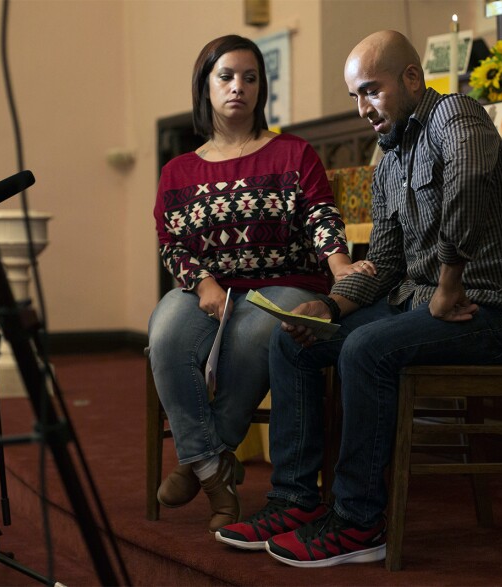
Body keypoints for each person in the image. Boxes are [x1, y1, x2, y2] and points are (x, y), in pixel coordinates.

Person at [216, 30, 502, 567]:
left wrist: (450, 279)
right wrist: (330, 306)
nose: (363, 108)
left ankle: (360, 523)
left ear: (412, 78)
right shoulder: (388, 158)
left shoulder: (457, 115)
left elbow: (471, 179)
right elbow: (386, 264)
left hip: (489, 311)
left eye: (372, 90)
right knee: (294, 341)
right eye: (355, 98)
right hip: (423, 305)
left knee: (364, 348)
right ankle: (294, 499)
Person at [149, 34, 371, 534]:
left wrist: (339, 268)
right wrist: (203, 284)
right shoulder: (177, 171)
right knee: (164, 336)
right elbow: (172, 243)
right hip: (207, 285)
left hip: (286, 282)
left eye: (250, 78)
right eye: (226, 76)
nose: (238, 87)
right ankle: (213, 467)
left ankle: (201, 461)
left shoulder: (293, 153)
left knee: (257, 332)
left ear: (261, 88)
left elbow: (321, 215)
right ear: (205, 86)